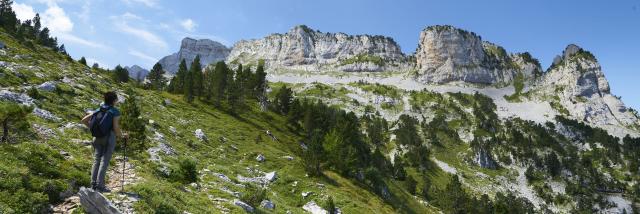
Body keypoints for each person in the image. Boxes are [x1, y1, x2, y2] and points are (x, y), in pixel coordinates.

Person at [81, 91, 127, 192]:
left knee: (96, 160)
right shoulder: (115, 111)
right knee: (104, 161)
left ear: (104, 99)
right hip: (109, 138)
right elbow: (115, 127)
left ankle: (93, 184)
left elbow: (84, 120)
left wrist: (93, 129)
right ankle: (100, 186)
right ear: (114, 100)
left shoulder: (98, 109)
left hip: (96, 137)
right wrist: (122, 136)